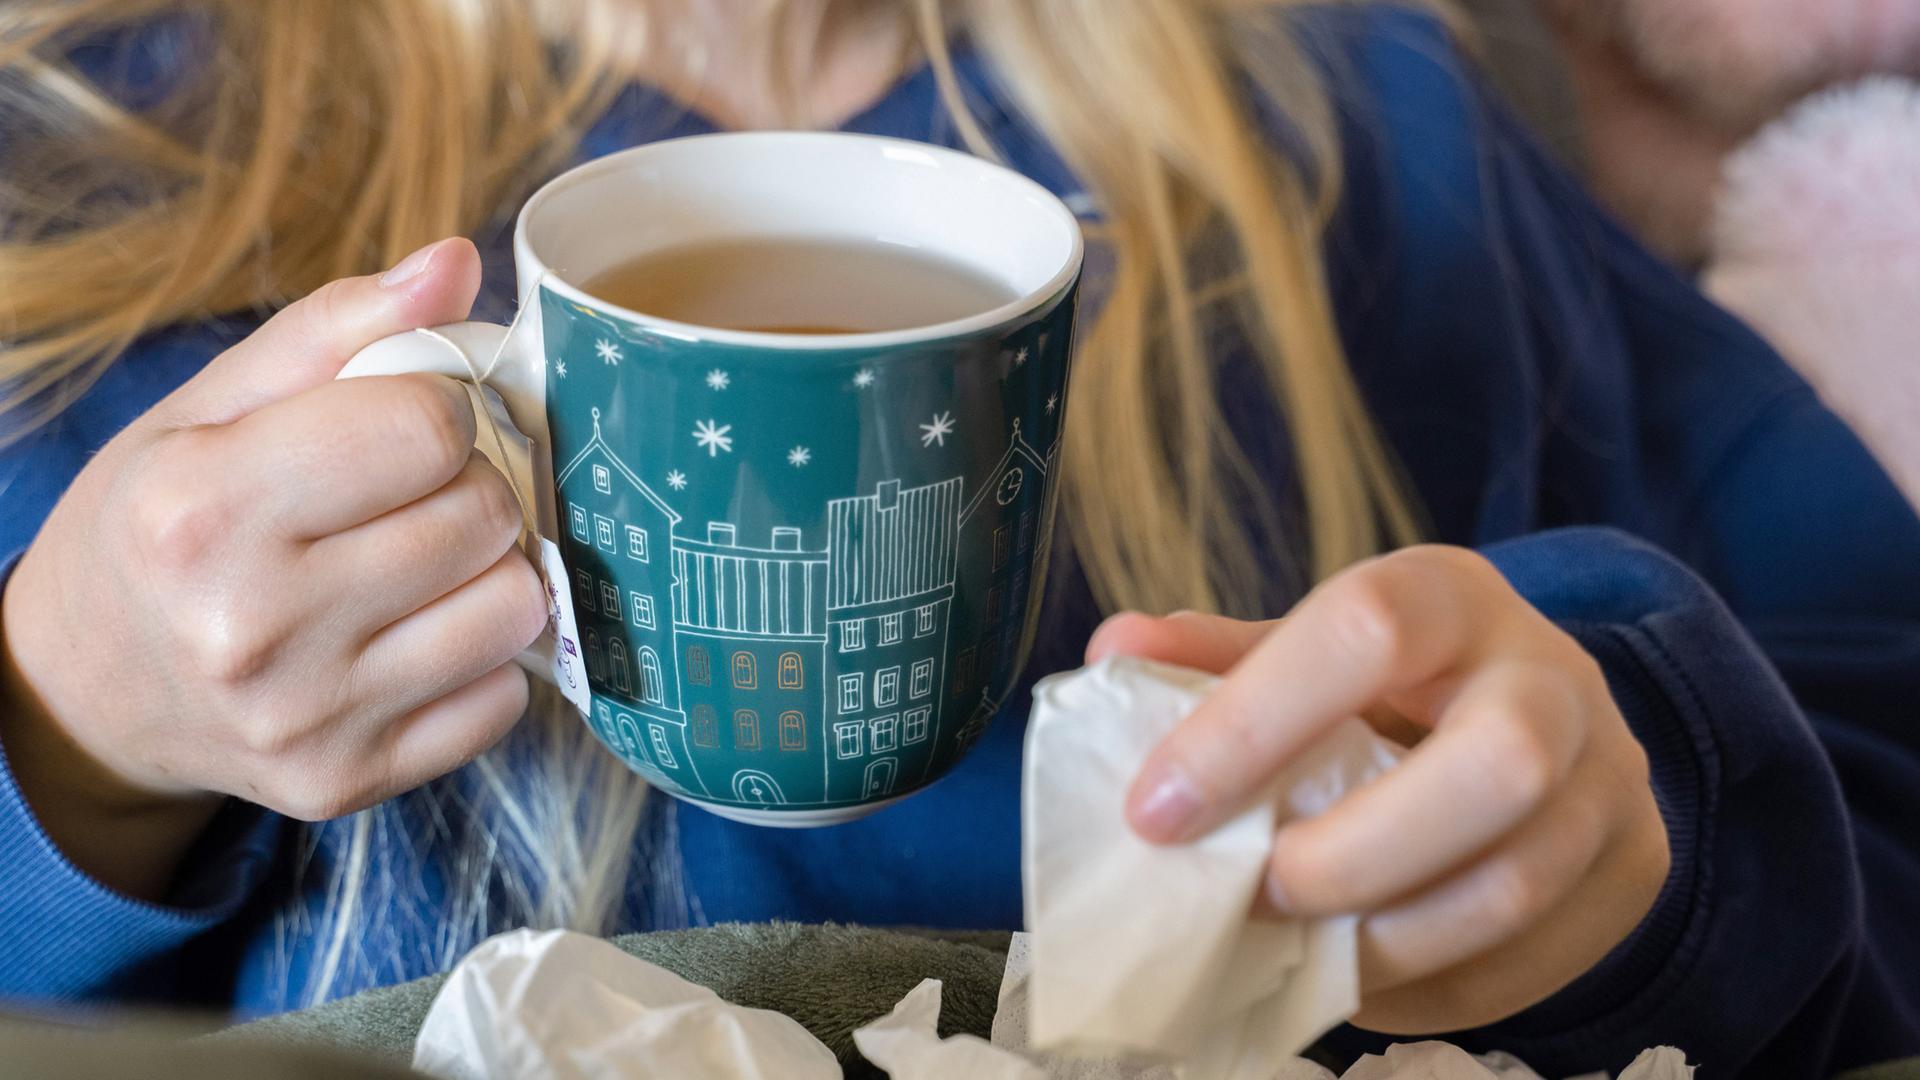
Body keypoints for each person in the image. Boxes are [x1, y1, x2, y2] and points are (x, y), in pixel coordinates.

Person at [1, 2, 1915, 1075]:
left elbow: (1875, 729)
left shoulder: (1364, 130)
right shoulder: (84, 175)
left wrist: (1630, 845)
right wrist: (71, 719)